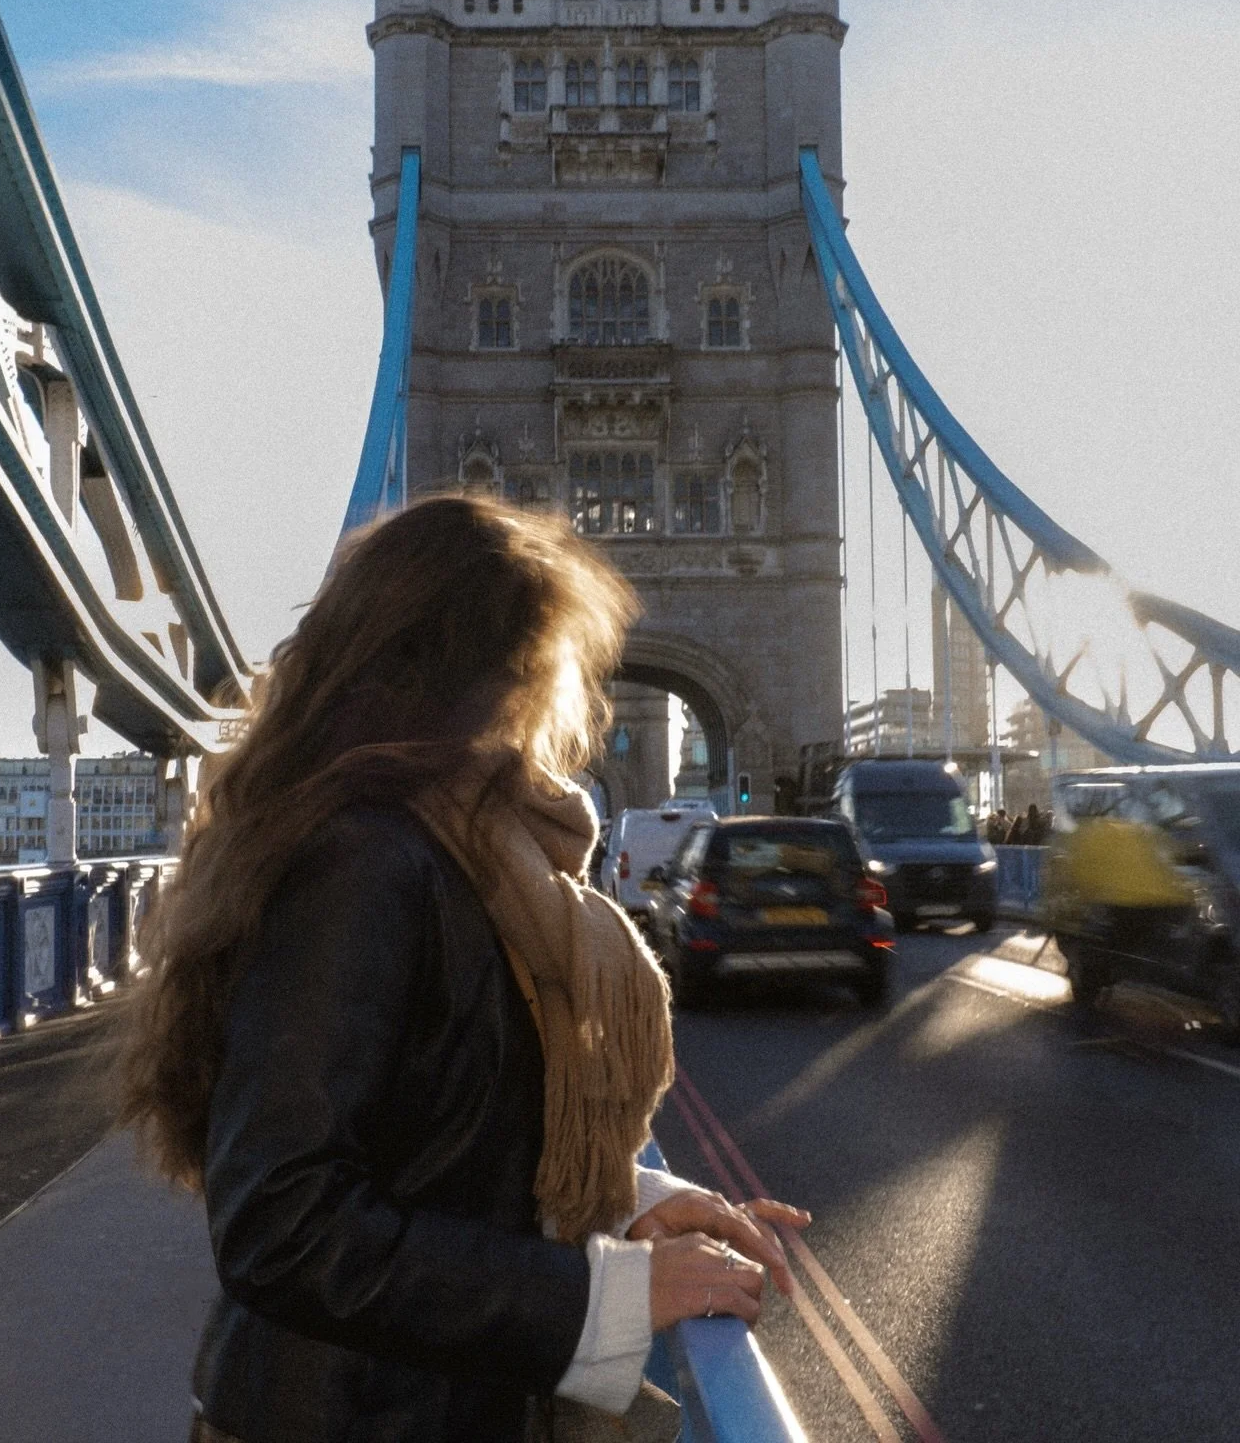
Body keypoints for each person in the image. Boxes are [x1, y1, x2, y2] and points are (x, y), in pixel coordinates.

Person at [120, 496, 809, 1443]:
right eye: (550, 657)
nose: (568, 693)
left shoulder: (471, 855)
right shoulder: (363, 861)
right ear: (491, 672)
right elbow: (284, 1224)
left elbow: (440, 1136)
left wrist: (634, 1199)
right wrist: (604, 1296)